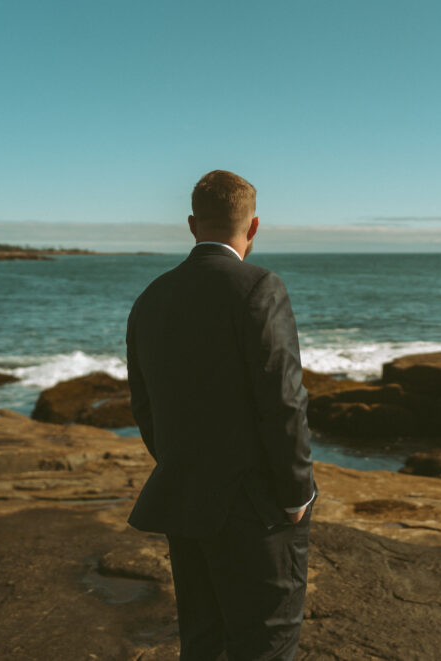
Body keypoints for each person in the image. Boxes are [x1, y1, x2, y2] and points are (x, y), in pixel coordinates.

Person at [125, 170, 316, 660]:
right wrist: (297, 492)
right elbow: (285, 401)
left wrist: (180, 463)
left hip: (184, 498)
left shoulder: (151, 298)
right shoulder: (259, 288)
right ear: (253, 227)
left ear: (193, 225)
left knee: (203, 643)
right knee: (266, 646)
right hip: (256, 509)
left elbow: (145, 404)